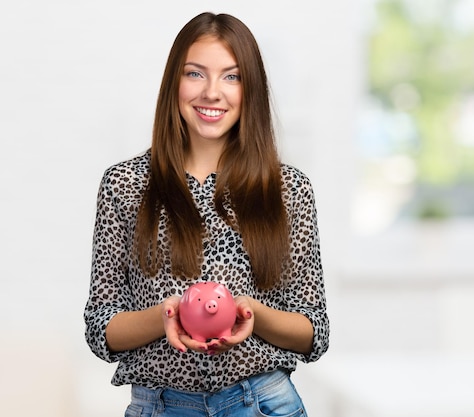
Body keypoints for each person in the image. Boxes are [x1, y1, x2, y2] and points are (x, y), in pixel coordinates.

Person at [84, 12, 329, 417]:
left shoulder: (288, 190)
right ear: (173, 84)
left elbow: (313, 332)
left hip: (264, 403)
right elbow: (100, 329)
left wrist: (250, 311)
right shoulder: (125, 185)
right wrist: (169, 313)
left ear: (251, 90)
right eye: (195, 74)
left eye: (232, 77)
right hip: (162, 407)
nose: (212, 92)